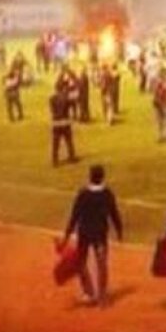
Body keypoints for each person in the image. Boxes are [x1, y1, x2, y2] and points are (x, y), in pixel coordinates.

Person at [62, 164, 123, 307]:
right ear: (102, 177)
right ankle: (102, 296)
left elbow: (74, 215)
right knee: (102, 264)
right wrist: (119, 230)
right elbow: (114, 214)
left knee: (81, 262)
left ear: (90, 177)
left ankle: (88, 292)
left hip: (84, 233)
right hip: (100, 234)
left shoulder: (83, 194)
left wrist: (67, 234)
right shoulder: (107, 194)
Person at [49, 84, 77, 166]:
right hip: (65, 121)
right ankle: (71, 157)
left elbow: (51, 109)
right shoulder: (66, 98)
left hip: (56, 122)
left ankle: (55, 159)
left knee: (55, 142)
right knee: (69, 141)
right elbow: (73, 104)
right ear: (63, 89)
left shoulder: (52, 99)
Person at [152, 69, 166, 143]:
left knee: (164, 120)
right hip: (159, 103)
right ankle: (163, 135)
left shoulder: (164, 83)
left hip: (162, 103)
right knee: (161, 120)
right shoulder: (160, 82)